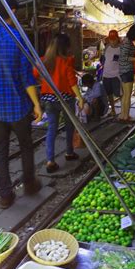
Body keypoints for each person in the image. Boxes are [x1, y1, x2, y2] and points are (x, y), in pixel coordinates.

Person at [0, 0, 43, 208]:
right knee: (25, 146)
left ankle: (5, 195)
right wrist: (36, 104)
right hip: (18, 107)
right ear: (12, 11)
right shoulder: (18, 37)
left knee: (1, 152)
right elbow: (26, 76)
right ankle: (30, 183)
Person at [34, 33, 84, 174]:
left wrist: (44, 84)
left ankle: (50, 161)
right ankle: (69, 152)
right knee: (69, 126)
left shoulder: (43, 61)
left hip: (48, 100)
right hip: (65, 99)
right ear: (65, 47)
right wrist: (80, 97)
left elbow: (34, 75)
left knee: (52, 129)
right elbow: (71, 81)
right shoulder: (66, 61)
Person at [118, 23, 135, 123]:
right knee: (127, 95)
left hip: (123, 70)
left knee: (125, 95)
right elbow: (124, 57)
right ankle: (126, 116)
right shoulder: (127, 42)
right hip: (126, 70)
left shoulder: (127, 41)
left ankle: (122, 115)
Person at [102, 29, 122, 117]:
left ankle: (123, 110)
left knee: (119, 93)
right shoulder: (107, 47)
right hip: (106, 74)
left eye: (114, 39)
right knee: (109, 93)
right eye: (111, 39)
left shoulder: (121, 48)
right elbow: (104, 58)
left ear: (118, 38)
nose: (112, 41)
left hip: (116, 75)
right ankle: (113, 110)